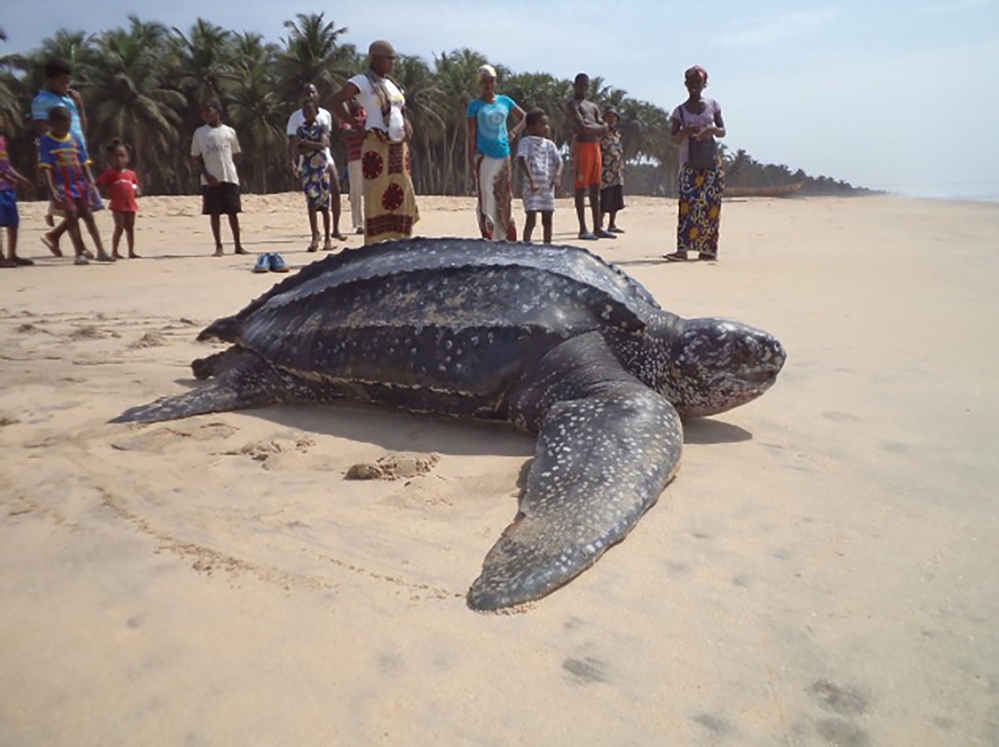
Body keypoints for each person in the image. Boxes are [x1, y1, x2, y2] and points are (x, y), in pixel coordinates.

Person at [330, 40, 419, 245]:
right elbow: (336, 101)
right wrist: (356, 124)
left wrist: (406, 124)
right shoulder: (362, 81)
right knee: (376, 192)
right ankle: (375, 243)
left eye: (393, 59)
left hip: (398, 147)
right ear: (375, 59)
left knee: (403, 190)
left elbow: (398, 109)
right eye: (389, 59)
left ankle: (401, 239)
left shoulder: (391, 84)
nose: (392, 63)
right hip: (375, 144)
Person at [31, 58, 103, 257]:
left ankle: (55, 236)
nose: (66, 85)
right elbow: (43, 131)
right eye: (62, 81)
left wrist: (80, 106)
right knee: (74, 207)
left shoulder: (70, 98)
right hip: (59, 158)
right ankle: (79, 247)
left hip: (78, 152)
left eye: (68, 81)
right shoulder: (42, 101)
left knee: (85, 204)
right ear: (51, 79)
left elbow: (82, 126)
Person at [664, 65, 726, 262]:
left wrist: (711, 130)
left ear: (704, 84)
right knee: (687, 206)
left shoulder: (713, 106)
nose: (693, 86)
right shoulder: (679, 111)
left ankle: (708, 250)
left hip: (711, 164)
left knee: (711, 207)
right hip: (689, 165)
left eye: (697, 82)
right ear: (685, 84)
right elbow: (673, 139)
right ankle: (682, 250)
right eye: (690, 82)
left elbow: (722, 130)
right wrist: (686, 132)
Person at [36, 106, 112, 265]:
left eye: (69, 123)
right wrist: (52, 188)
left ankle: (101, 250)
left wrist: (90, 181)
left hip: (80, 184)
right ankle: (79, 253)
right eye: (64, 124)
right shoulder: (47, 141)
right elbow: (46, 167)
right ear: (54, 124)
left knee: (88, 215)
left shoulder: (75, 139)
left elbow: (84, 162)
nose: (67, 127)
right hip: (62, 185)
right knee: (71, 216)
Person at [466, 64, 525, 241]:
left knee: (505, 195)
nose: (489, 85)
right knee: (486, 195)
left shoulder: (505, 101)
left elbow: (524, 117)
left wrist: (514, 132)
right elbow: (472, 134)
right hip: (484, 156)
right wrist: (470, 161)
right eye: (485, 82)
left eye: (491, 81)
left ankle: (507, 236)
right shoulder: (475, 106)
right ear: (480, 83)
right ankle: (489, 235)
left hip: (503, 154)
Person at [286, 83, 346, 243]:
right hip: (306, 160)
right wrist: (293, 161)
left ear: (317, 94)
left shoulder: (325, 115)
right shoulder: (296, 117)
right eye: (306, 93)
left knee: (336, 188)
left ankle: (335, 229)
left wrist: (306, 144)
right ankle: (316, 233)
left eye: (312, 92)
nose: (310, 95)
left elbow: (325, 142)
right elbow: (294, 143)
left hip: (324, 157)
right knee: (312, 196)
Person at [191, 99, 246, 256]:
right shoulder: (200, 133)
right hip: (210, 179)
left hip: (229, 177)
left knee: (233, 213)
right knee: (214, 214)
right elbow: (195, 157)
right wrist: (207, 175)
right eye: (203, 112)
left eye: (208, 110)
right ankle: (219, 246)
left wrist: (231, 169)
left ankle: (238, 245)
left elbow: (236, 153)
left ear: (217, 111)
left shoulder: (229, 132)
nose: (205, 114)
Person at [565, 72, 614, 241]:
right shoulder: (572, 105)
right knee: (581, 188)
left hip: (595, 147)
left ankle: (597, 227)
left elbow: (602, 125)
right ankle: (583, 228)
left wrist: (594, 127)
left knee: (595, 188)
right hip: (582, 147)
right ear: (575, 86)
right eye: (581, 86)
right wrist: (597, 127)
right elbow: (581, 127)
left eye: (586, 86)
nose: (584, 89)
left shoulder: (592, 106)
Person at [292, 99, 334, 252]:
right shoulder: (300, 129)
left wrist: (305, 144)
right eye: (305, 111)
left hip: (321, 170)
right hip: (308, 170)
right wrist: (308, 147)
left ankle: (328, 238)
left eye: (310, 111)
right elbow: (297, 149)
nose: (307, 114)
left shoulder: (322, 127)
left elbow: (323, 145)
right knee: (311, 204)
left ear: (316, 112)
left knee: (324, 206)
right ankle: (315, 236)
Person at [516, 109, 562, 244]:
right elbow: (521, 159)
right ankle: (526, 245)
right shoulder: (526, 142)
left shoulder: (550, 145)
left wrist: (558, 176)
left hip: (547, 187)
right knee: (531, 218)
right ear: (531, 127)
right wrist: (531, 179)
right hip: (532, 187)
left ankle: (547, 246)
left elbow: (559, 162)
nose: (546, 127)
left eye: (547, 124)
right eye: (542, 124)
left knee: (548, 218)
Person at [95, 139, 141, 259]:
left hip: (130, 204)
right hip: (117, 205)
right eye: (116, 157)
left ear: (128, 158)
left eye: (122, 156)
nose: (119, 159)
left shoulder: (131, 174)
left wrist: (138, 190)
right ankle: (115, 251)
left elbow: (136, 185)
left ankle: (131, 251)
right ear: (111, 158)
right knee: (119, 227)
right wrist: (102, 192)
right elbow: (99, 183)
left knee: (130, 228)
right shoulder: (109, 173)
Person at [0, 119, 34, 267]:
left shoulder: (2, 140)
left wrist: (20, 179)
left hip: (7, 188)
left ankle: (12, 254)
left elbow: (7, 166)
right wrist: (4, 176)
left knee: (13, 222)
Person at [340, 99, 367, 235]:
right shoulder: (345, 118)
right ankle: (358, 223)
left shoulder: (366, 114)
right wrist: (362, 132)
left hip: (370, 157)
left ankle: (369, 220)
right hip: (355, 158)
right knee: (356, 192)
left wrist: (357, 131)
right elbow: (345, 133)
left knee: (369, 191)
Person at [599, 107, 626, 234]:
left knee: (616, 199)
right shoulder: (600, 134)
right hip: (604, 171)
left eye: (614, 117)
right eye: (609, 117)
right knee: (604, 197)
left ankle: (612, 224)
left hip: (616, 172)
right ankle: (599, 224)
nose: (611, 120)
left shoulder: (617, 135)